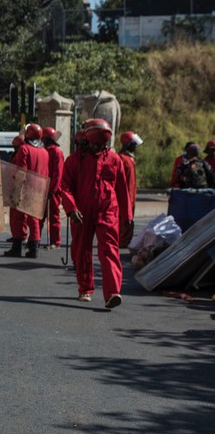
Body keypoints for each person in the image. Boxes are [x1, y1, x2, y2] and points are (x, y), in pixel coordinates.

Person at [61, 119, 131, 308]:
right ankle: (85, 289)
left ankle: (112, 293)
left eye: (102, 144)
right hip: (81, 213)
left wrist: (128, 216)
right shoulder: (74, 161)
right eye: (95, 144)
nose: (99, 147)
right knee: (82, 250)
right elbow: (64, 188)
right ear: (86, 141)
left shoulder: (114, 159)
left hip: (108, 211)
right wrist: (71, 208)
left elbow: (122, 189)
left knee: (109, 251)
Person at [4, 124, 49, 258]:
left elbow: (21, 171)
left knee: (19, 218)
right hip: (38, 188)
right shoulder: (44, 152)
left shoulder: (24, 149)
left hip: (25, 188)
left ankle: (17, 248)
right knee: (34, 218)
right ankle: (34, 248)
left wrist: (17, 190)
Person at [41, 127, 64, 249]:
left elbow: (58, 173)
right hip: (43, 188)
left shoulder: (56, 152)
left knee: (53, 216)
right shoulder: (44, 150)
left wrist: (52, 190)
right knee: (40, 215)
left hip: (52, 190)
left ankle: (56, 241)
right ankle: (35, 239)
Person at [118, 131, 143, 247]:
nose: (136, 147)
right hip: (125, 195)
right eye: (134, 144)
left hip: (130, 194)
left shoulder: (128, 159)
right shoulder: (123, 159)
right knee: (124, 218)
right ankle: (122, 241)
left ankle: (123, 240)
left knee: (127, 218)